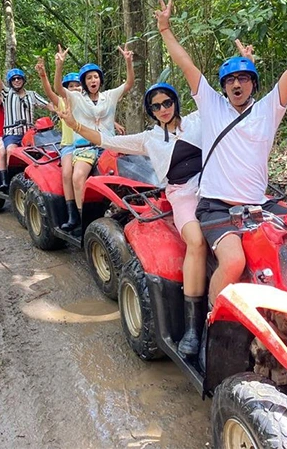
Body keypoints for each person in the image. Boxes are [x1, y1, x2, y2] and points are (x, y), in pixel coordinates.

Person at [156, 0, 287, 310]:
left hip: (260, 204)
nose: (236, 84)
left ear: (253, 84)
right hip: (217, 208)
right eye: (230, 80)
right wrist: (165, 31)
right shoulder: (212, 106)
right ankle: (212, 321)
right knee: (232, 262)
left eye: (243, 78)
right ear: (223, 86)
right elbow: (185, 63)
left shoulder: (269, 109)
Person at [57, 52, 247, 359]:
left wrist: (241, 77)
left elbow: (229, 105)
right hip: (182, 193)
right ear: (150, 110)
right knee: (196, 242)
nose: (162, 109)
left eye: (167, 103)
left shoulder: (198, 121)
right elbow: (106, 141)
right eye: (156, 106)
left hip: (216, 186)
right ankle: (194, 327)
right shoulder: (148, 139)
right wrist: (73, 125)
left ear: (175, 103)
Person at [52, 44, 134, 231]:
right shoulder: (76, 98)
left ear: (100, 80)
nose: (93, 80)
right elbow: (58, 88)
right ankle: (83, 219)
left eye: (95, 76)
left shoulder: (110, 96)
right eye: (89, 78)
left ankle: (127, 213)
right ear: (84, 82)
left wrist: (128, 62)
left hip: (109, 146)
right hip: (86, 148)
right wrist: (59, 66)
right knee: (78, 175)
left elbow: (129, 84)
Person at [0, 46, 53, 191]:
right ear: (10, 81)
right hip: (12, 135)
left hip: (30, 135)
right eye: (14, 79)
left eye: (19, 78)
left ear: (23, 80)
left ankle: (41, 181)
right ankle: (8, 181)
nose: (16, 80)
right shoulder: (6, 94)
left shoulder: (32, 95)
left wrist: (63, 111)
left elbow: (49, 105)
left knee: (45, 154)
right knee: (10, 151)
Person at [35, 62, 84, 227]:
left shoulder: (87, 101)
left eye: (78, 85)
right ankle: (74, 215)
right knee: (66, 173)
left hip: (89, 145)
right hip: (69, 144)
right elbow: (50, 91)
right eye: (72, 86)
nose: (75, 88)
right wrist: (43, 75)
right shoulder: (62, 102)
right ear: (66, 88)